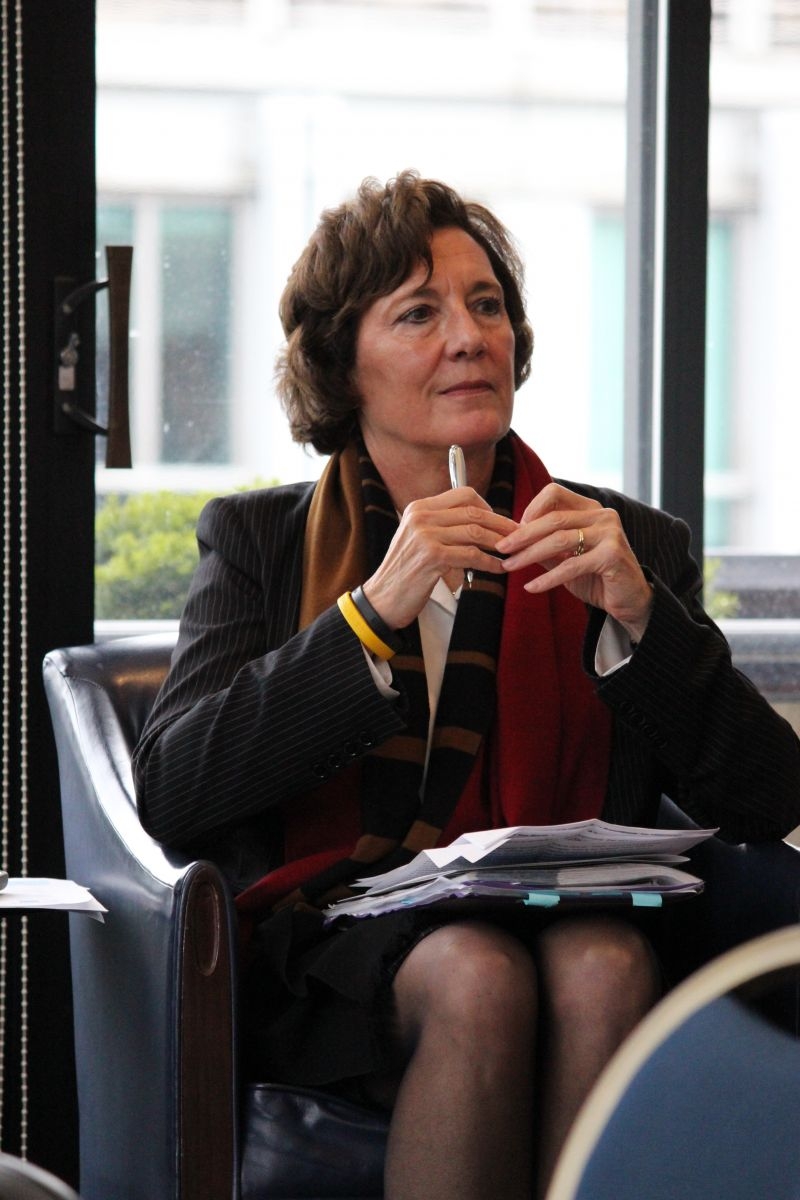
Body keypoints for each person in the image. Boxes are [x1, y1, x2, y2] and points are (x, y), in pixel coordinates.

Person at [133, 171, 800, 1199]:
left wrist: (639, 618)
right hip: (335, 945)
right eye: (419, 313)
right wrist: (371, 613)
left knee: (603, 967)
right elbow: (177, 787)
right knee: (476, 974)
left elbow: (766, 796)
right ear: (341, 365)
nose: (469, 338)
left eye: (486, 306)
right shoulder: (260, 540)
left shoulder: (627, 541)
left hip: (580, 920)